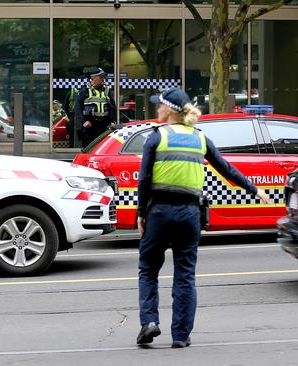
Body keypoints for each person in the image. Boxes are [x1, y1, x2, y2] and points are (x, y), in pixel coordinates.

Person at [135, 87, 270, 348]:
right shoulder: (200, 138)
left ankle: (149, 322)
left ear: (169, 110)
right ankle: (181, 336)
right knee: (185, 275)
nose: (156, 110)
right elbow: (226, 169)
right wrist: (254, 189)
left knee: (148, 269)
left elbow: (144, 180)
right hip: (189, 214)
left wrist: (141, 213)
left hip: (160, 212)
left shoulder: (156, 137)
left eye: (159, 106)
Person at [74, 67, 117, 147]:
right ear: (93, 78)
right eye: (101, 77)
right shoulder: (85, 90)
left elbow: (113, 107)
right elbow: (77, 108)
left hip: (104, 126)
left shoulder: (107, 90)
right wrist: (83, 122)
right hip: (90, 126)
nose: (103, 79)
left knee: (102, 148)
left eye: (103, 77)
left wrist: (113, 121)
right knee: (89, 148)